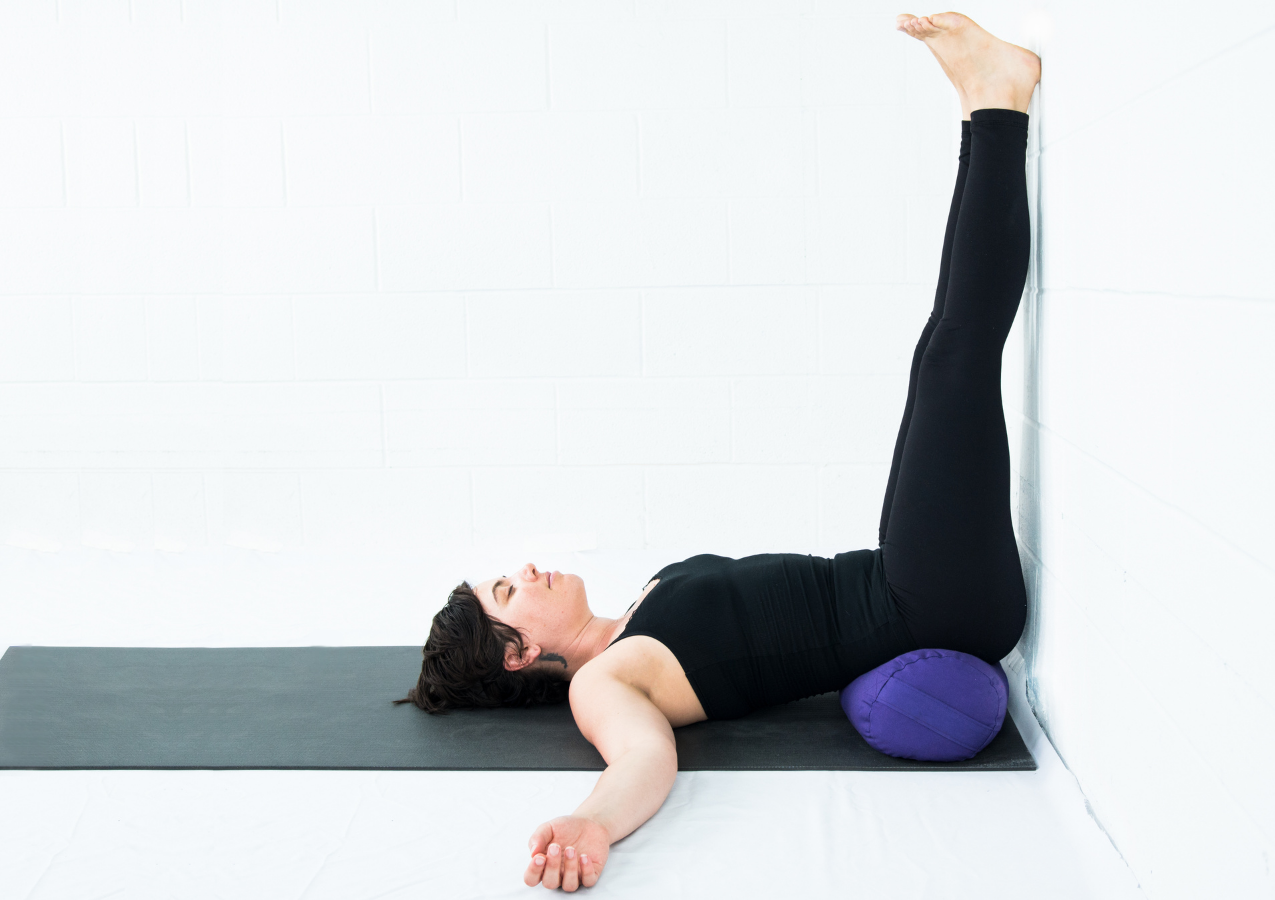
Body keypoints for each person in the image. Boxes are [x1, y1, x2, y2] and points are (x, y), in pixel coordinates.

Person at [396, 11, 1042, 892]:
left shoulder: (641, 608)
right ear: (515, 653)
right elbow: (640, 762)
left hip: (911, 581)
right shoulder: (604, 685)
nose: (529, 569)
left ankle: (985, 105)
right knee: (955, 354)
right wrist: (591, 823)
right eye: (509, 590)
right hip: (928, 601)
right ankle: (999, 101)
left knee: (944, 352)